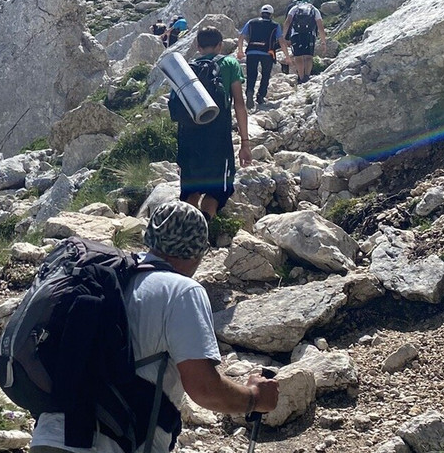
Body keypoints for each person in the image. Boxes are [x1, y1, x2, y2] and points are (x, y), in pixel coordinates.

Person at [28, 201, 280, 453]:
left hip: (47, 438)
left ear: (149, 238)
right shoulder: (182, 291)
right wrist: (254, 398)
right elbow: (204, 388)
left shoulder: (109, 277)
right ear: (198, 252)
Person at [168, 27, 252, 218]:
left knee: (191, 191)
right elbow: (239, 104)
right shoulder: (230, 63)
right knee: (215, 193)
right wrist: (245, 143)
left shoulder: (187, 69)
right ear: (220, 45)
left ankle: (188, 229)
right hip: (217, 138)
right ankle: (204, 229)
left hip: (188, 136)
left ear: (198, 47)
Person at [236, 4, 287, 111]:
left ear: (261, 13)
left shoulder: (251, 22)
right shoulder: (275, 25)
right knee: (265, 74)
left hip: (252, 51)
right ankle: (260, 96)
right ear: (271, 15)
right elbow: (281, 41)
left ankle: (249, 91)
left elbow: (241, 36)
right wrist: (287, 56)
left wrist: (240, 51)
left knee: (251, 74)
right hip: (267, 53)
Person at [282, 0, 327, 84]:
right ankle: (307, 76)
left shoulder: (295, 8)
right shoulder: (314, 9)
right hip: (310, 35)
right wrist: (323, 41)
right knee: (308, 57)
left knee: (298, 56)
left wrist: (283, 36)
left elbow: (287, 22)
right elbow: (320, 26)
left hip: (296, 34)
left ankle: (301, 77)